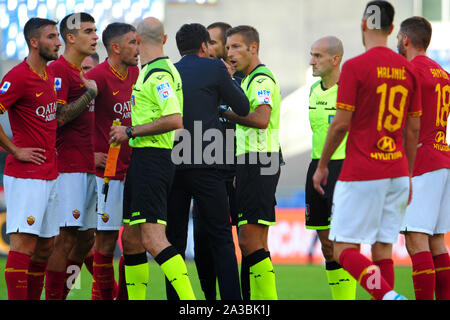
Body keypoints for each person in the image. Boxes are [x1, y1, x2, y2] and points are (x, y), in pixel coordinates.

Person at [312, 0, 422, 300]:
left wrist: (322, 165)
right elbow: (413, 130)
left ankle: (390, 297)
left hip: (363, 171)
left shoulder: (355, 67)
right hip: (397, 170)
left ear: (363, 25)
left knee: (343, 250)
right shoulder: (407, 69)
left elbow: (340, 125)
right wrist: (409, 174)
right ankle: (388, 296)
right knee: (382, 248)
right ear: (391, 29)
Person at [109, 16, 196, 300]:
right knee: (131, 239)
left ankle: (190, 302)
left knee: (152, 238)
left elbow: (174, 119)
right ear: (165, 39)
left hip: (153, 160)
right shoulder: (152, 71)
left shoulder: (158, 74)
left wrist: (129, 130)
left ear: (136, 39)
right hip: (145, 159)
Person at [165, 22, 249, 300]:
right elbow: (243, 107)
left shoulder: (169, 71)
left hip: (173, 163)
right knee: (222, 238)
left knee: (174, 241)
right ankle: (231, 303)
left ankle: (178, 301)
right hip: (207, 162)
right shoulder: (214, 68)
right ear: (204, 46)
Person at [0, 17, 61, 300]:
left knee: (47, 245)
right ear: (34, 42)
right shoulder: (18, 77)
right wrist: (14, 149)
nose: (58, 42)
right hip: (26, 176)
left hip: (50, 174)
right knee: (23, 247)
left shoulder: (49, 76)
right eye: (51, 37)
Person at [222, 25, 281, 300]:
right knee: (255, 242)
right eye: (228, 47)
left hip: (261, 162)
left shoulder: (261, 79)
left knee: (248, 241)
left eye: (235, 47)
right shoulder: (246, 80)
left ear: (252, 48)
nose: (229, 52)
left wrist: (226, 113)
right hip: (249, 163)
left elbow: (261, 119)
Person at [45, 12, 99, 300]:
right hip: (69, 167)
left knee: (86, 239)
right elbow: (59, 118)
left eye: (96, 30)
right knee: (66, 238)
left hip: (91, 165)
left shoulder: (85, 73)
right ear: (71, 37)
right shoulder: (59, 71)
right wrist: (89, 95)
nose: (95, 36)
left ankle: (64, 294)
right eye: (88, 31)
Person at [397, 16, 450, 300]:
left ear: (405, 39)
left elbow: (406, 121)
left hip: (421, 163)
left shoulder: (410, 70)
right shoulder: (443, 74)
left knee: (416, 241)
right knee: (437, 242)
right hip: (443, 158)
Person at [86, 22, 140, 300]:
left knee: (134, 242)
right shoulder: (96, 78)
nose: (138, 47)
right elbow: (70, 125)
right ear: (116, 47)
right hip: (106, 174)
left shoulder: (140, 76)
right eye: (132, 42)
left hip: (137, 172)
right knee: (105, 244)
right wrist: (88, 155)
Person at [189, 21, 240, 301]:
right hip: (209, 169)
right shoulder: (201, 77)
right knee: (203, 243)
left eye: (215, 42)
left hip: (235, 170)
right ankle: (210, 300)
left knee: (243, 241)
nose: (207, 46)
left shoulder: (241, 80)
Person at [306, 36, 356, 300]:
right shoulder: (314, 90)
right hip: (316, 167)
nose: (311, 61)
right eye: (311, 55)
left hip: (343, 169)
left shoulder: (350, 89)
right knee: (326, 246)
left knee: (344, 245)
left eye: (317, 56)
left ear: (335, 59)